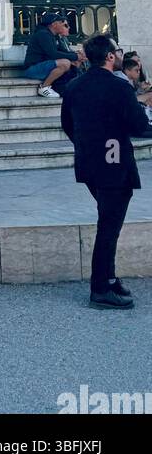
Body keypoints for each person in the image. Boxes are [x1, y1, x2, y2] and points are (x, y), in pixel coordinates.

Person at [61, 35, 152, 310]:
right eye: (118, 51)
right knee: (109, 228)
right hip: (114, 164)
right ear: (110, 57)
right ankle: (100, 287)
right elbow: (138, 126)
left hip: (89, 163)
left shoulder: (75, 86)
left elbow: (68, 123)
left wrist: (88, 145)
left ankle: (109, 279)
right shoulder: (120, 87)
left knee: (108, 222)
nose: (120, 54)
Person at [22, 12, 81, 99]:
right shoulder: (43, 34)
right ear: (54, 24)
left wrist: (78, 56)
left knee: (70, 61)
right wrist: (75, 57)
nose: (63, 25)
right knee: (65, 63)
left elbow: (63, 52)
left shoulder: (53, 36)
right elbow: (53, 54)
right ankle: (44, 87)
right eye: (62, 23)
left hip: (43, 66)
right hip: (32, 69)